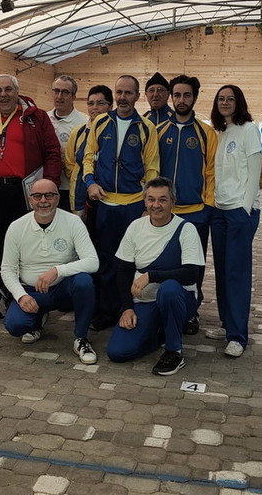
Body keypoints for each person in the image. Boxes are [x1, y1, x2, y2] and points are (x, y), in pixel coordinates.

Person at [0, 74, 61, 319]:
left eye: (8, 89)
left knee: (26, 247)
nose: (3, 94)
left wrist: (48, 185)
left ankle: (28, 294)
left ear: (17, 92)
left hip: (24, 191)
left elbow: (53, 152)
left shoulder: (35, 117)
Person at [83, 74, 159, 330]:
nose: (123, 97)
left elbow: (152, 168)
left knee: (131, 260)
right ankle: (106, 310)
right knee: (106, 260)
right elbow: (88, 159)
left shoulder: (147, 128)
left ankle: (130, 307)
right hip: (105, 204)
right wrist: (90, 183)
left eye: (128, 93)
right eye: (119, 92)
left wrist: (147, 205)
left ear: (137, 96)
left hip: (133, 205)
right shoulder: (101, 122)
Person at [107, 177, 204, 376]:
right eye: (151, 199)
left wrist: (151, 276)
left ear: (172, 202)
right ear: (145, 201)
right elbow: (124, 271)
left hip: (179, 299)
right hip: (145, 301)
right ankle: (158, 333)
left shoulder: (186, 229)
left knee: (168, 288)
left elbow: (191, 274)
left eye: (162, 200)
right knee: (118, 352)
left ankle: (174, 351)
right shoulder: (135, 226)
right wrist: (127, 308)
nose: (156, 205)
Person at [0, 178, 99, 364]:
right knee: (15, 326)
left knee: (84, 281)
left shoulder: (73, 222)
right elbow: (7, 269)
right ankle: (37, 320)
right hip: (32, 291)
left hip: (63, 288)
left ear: (58, 198)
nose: (43, 200)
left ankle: (81, 338)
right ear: (30, 200)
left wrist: (57, 270)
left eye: (49, 195)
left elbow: (93, 262)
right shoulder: (16, 227)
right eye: (37, 196)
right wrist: (21, 296)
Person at [157, 74, 217, 333]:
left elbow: (212, 171)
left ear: (195, 97)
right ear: (172, 97)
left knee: (193, 265)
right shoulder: (158, 131)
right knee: (163, 263)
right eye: (178, 95)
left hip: (195, 212)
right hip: (163, 212)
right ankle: (162, 306)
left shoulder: (206, 133)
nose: (182, 100)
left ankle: (191, 311)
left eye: (187, 95)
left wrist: (207, 206)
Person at [210, 84, 261, 358]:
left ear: (239, 102)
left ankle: (238, 335)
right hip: (219, 209)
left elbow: (255, 171)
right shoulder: (221, 132)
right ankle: (226, 323)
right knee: (221, 270)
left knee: (236, 273)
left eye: (230, 99)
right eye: (221, 99)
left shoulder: (248, 130)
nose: (225, 102)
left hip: (240, 212)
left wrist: (245, 207)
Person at [65, 85, 113, 215]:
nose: (94, 108)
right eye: (91, 103)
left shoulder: (116, 132)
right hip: (81, 195)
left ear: (111, 106)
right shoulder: (78, 132)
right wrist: (83, 182)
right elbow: (70, 163)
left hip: (109, 195)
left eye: (100, 103)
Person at [48, 74, 88, 212]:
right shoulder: (43, 119)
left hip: (70, 188)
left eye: (65, 92)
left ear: (73, 97)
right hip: (47, 187)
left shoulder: (84, 123)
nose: (59, 96)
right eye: (56, 91)